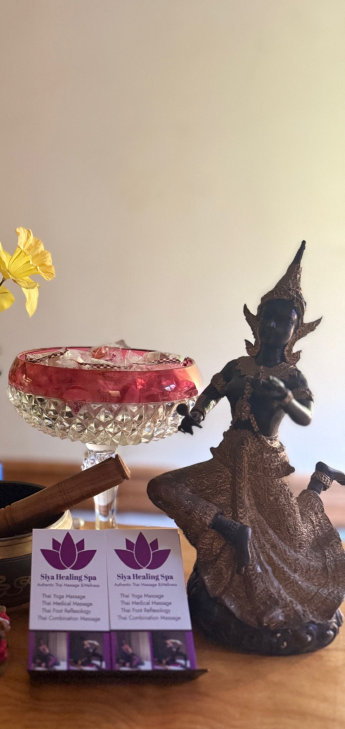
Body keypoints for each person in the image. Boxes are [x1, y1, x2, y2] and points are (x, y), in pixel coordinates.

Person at [148, 242, 345, 632]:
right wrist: (196, 414)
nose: (273, 327)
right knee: (161, 487)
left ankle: (319, 480)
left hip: (264, 466)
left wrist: (287, 400)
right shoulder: (236, 367)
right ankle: (230, 530)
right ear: (257, 323)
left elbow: (305, 415)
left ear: (295, 331)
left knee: (297, 540)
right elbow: (210, 394)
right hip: (226, 460)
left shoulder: (292, 377)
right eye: (268, 318)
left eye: (284, 321)